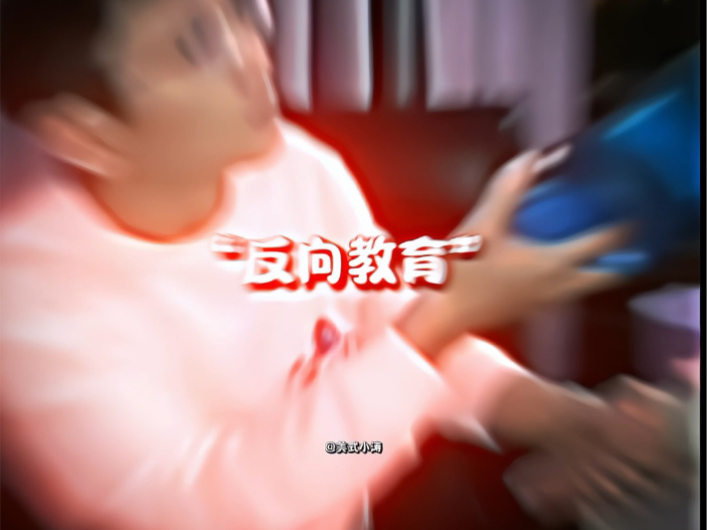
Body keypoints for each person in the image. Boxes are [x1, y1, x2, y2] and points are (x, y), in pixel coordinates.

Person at [0, 1, 686, 529]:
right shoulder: (32, 311)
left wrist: (568, 419)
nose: (253, 53)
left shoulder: (294, 167)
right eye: (195, 44)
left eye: (238, 12)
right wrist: (451, 308)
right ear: (88, 134)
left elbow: (387, 329)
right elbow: (215, 508)